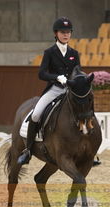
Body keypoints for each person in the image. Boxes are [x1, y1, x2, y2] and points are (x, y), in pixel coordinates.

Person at [17, 17, 80, 165]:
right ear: (56, 33)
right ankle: (28, 151)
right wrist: (57, 77)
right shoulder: (50, 52)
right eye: (62, 32)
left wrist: (77, 80)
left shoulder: (74, 53)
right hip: (54, 90)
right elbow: (42, 73)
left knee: (84, 113)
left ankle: (90, 152)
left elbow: (77, 71)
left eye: (68, 32)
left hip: (70, 91)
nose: (66, 35)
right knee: (36, 114)